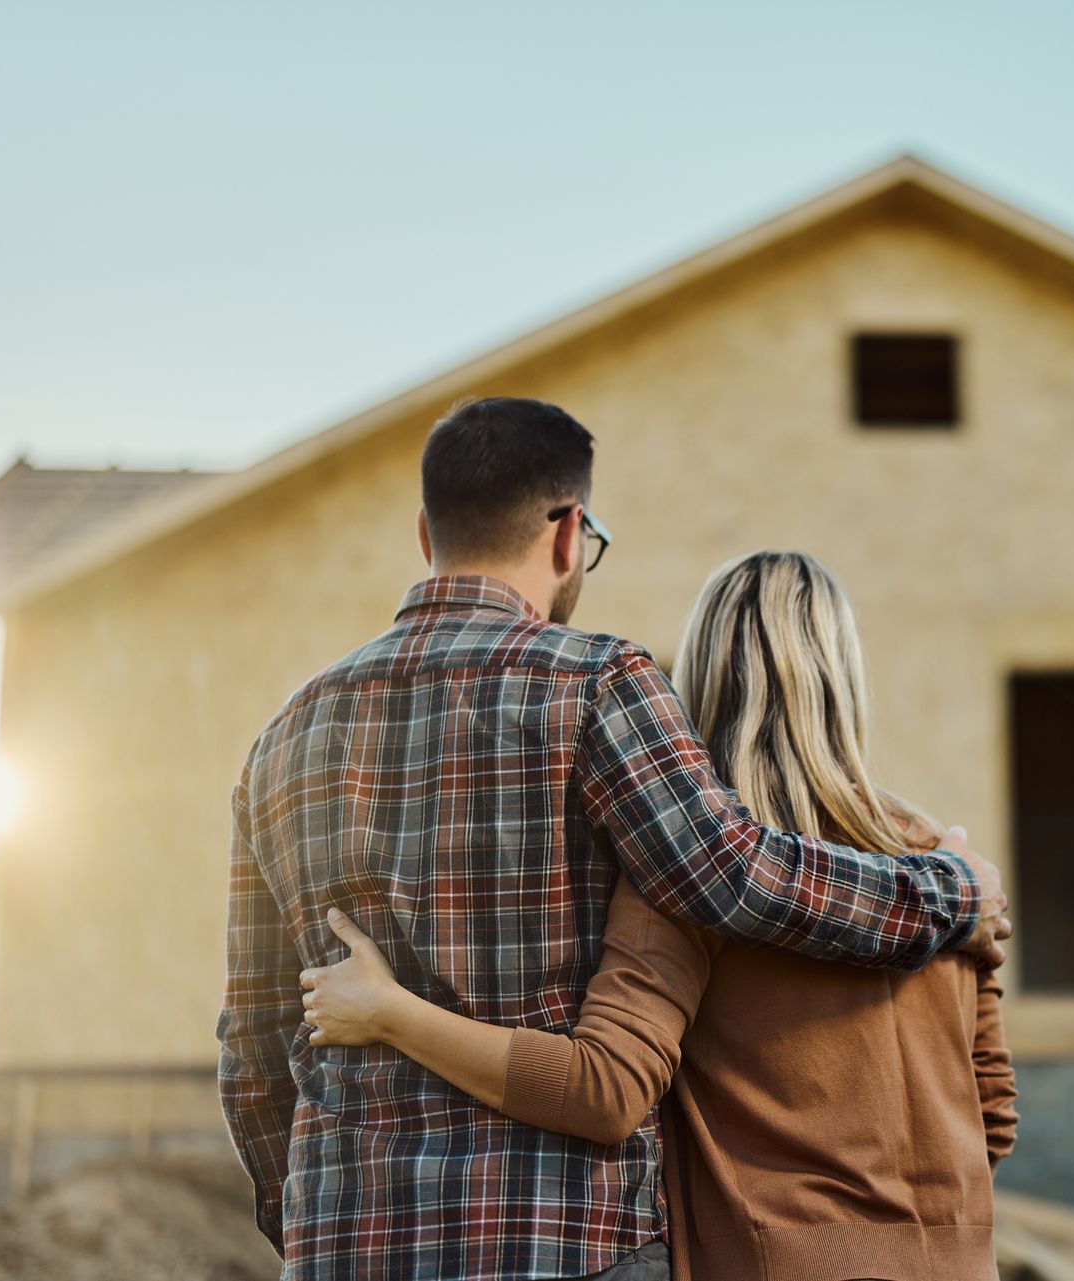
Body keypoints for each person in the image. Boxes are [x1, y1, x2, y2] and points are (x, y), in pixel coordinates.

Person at [215, 398, 1011, 1281]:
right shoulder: (597, 683)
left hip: (348, 1245)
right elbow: (733, 874)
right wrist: (950, 892)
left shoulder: (281, 738)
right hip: (564, 1243)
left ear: (424, 532)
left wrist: (319, 1229)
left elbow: (252, 1047)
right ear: (567, 534)